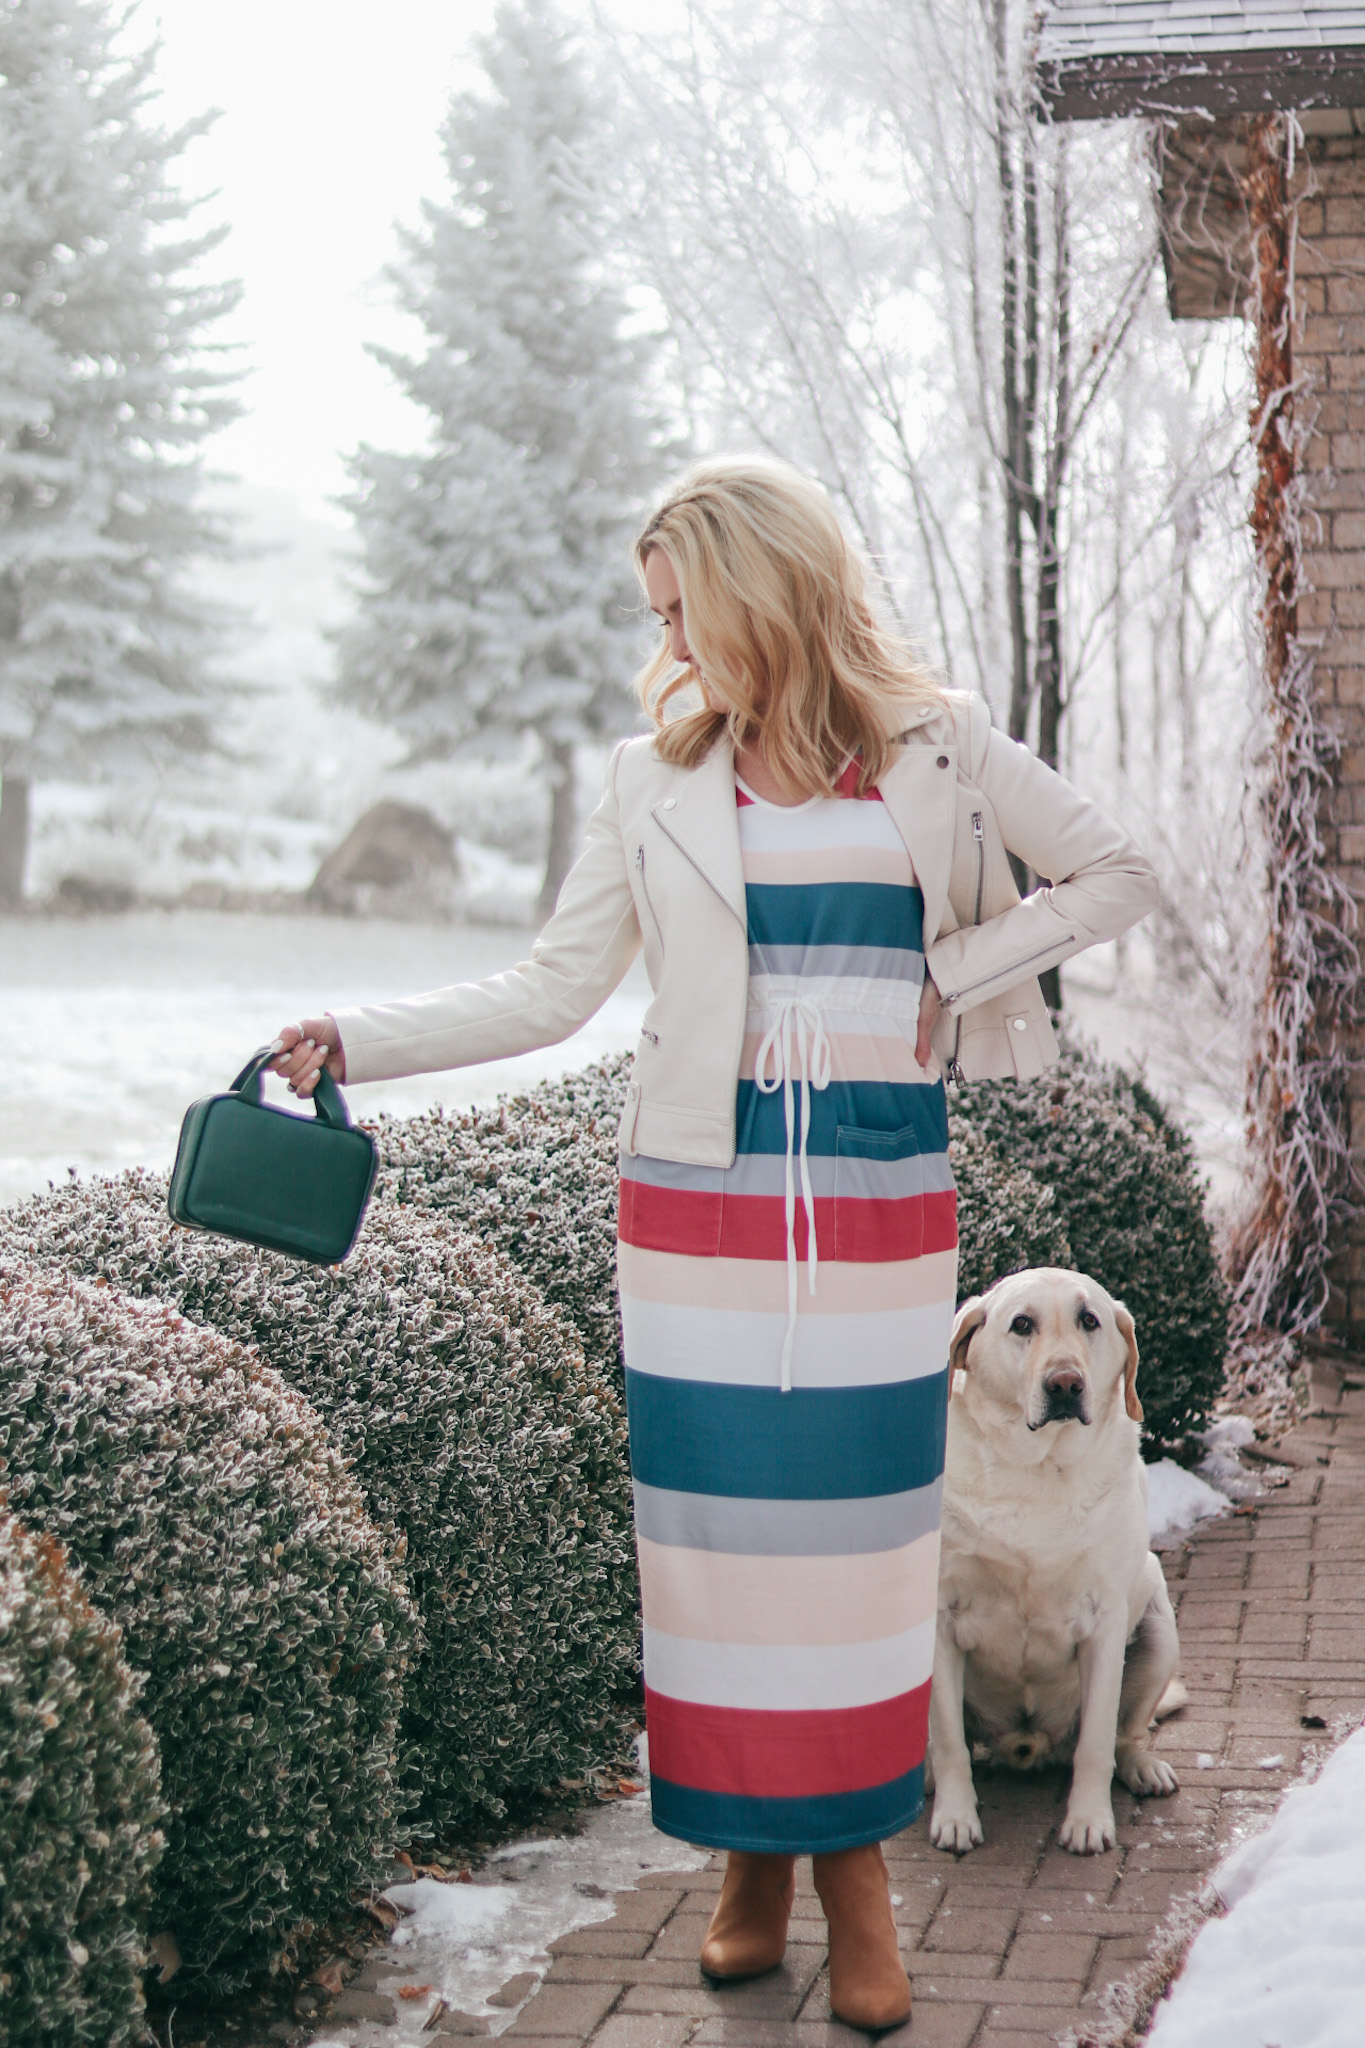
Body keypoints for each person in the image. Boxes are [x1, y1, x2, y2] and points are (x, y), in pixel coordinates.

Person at [273, 458, 1158, 2034]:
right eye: (654, 617)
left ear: (766, 593)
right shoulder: (651, 778)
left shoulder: (937, 746)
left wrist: (956, 969)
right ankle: (751, 1871)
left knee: (868, 1568)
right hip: (697, 1218)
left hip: (883, 1213)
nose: (669, 643)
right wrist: (356, 1036)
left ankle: (855, 1879)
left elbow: (1114, 871)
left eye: (686, 610)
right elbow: (550, 990)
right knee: (713, 1572)